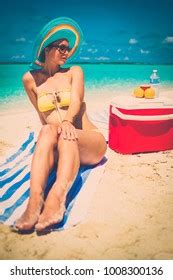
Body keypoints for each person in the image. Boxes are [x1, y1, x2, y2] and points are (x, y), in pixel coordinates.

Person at [15, 17, 107, 232]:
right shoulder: (30, 80)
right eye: (62, 47)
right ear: (47, 48)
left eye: (68, 49)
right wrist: (47, 144)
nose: (67, 52)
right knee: (47, 129)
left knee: (67, 134)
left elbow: (75, 101)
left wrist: (66, 121)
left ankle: (57, 198)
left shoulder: (74, 72)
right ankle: (35, 201)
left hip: (88, 139)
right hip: (61, 141)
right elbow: (41, 114)